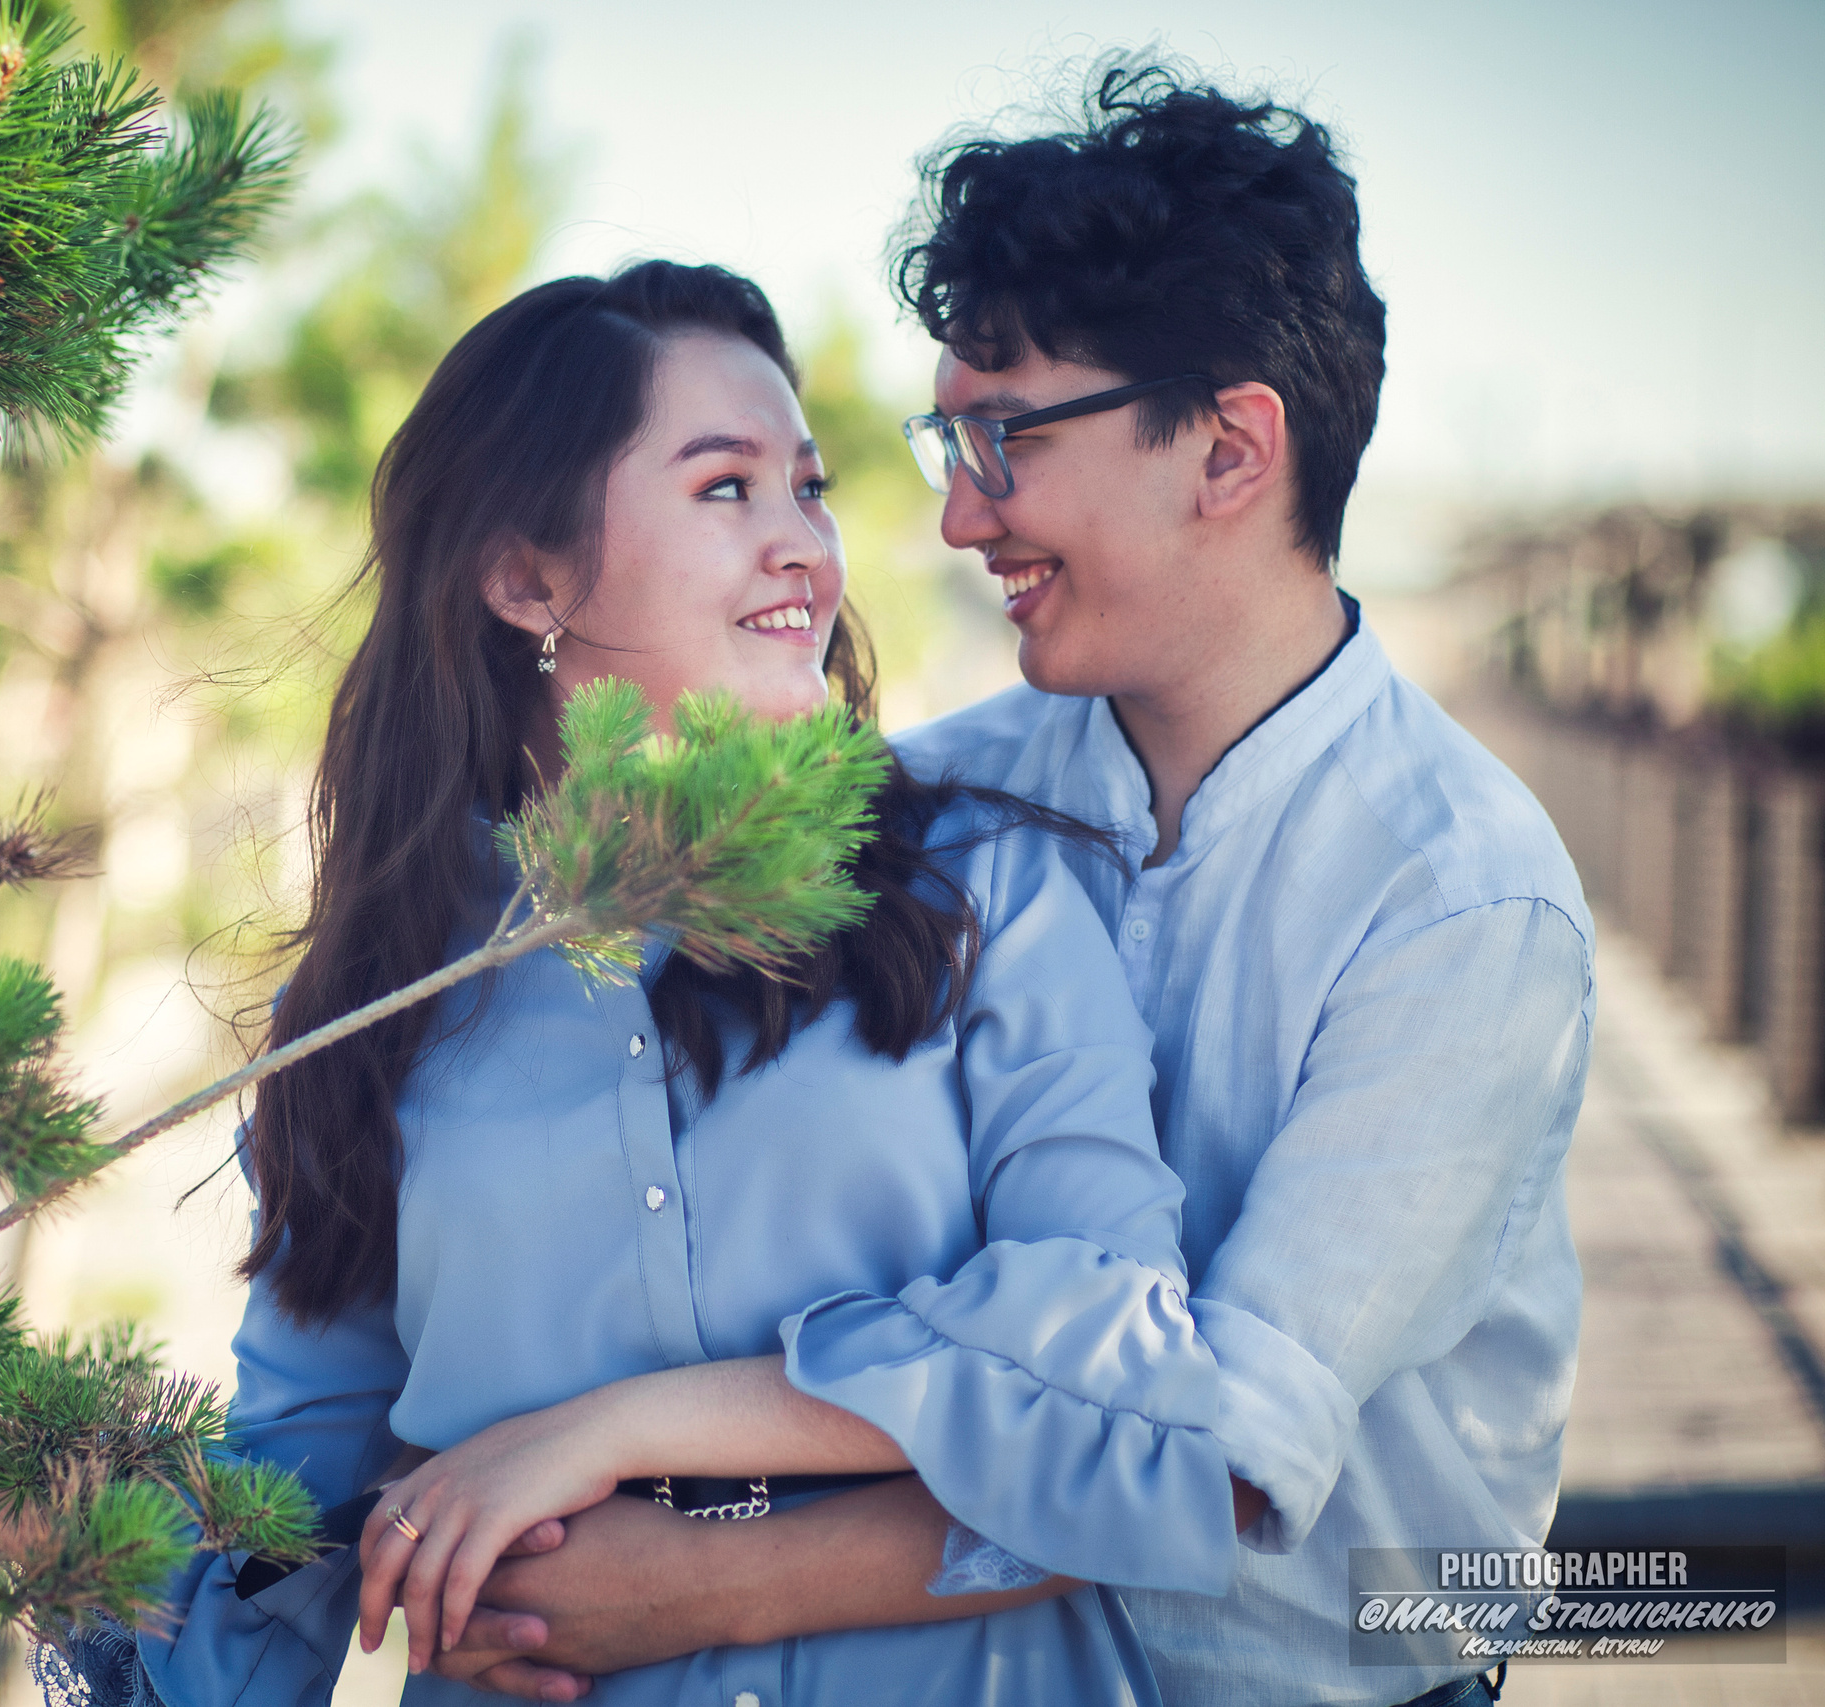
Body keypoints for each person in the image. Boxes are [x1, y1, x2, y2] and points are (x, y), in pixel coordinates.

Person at [0, 260, 1247, 1705]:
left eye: (809, 488)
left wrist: (602, 1438)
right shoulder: (380, 1013)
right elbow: (280, 1567)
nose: (808, 545)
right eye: (725, 487)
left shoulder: (980, 886)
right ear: (527, 577)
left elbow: (1112, 1362)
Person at [428, 67, 1595, 1707]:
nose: (960, 512)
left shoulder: (1466, 908)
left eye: (1004, 436)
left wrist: (693, 1581)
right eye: (941, 438)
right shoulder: (936, 807)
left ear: (1230, 451)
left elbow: (1217, 1452)